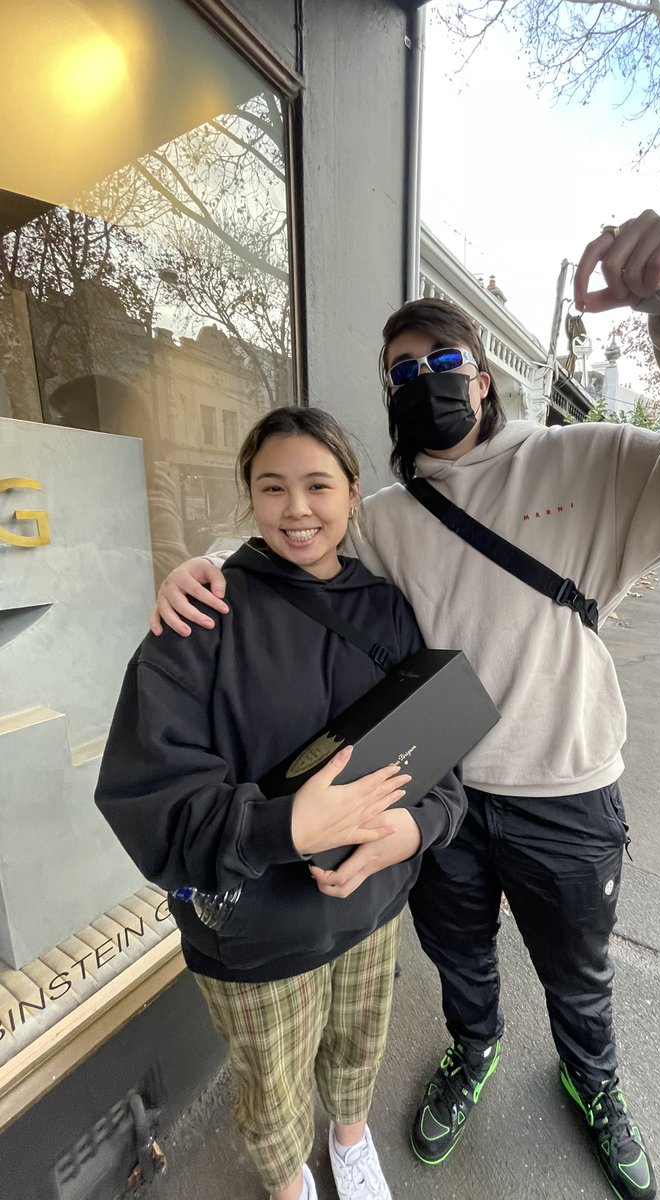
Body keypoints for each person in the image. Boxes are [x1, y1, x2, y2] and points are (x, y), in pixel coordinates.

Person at [150, 211, 660, 1200]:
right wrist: (196, 569)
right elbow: (292, 536)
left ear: (485, 378)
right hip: (436, 801)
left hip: (566, 792)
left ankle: (595, 1082)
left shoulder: (586, 465)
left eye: (443, 362)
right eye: (402, 373)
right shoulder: (383, 521)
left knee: (578, 971)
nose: (426, 380)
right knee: (459, 959)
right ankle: (475, 1047)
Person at [96, 406, 467, 1200]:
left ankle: (351, 1139)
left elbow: (441, 762)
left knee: (359, 1046)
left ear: (354, 493)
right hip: (257, 938)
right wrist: (285, 827)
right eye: (273, 487)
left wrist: (412, 831)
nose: (297, 508)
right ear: (250, 497)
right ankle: (287, 1184)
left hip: (371, 907)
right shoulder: (201, 614)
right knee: (270, 1089)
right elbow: (146, 794)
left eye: (318, 486)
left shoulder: (388, 610)